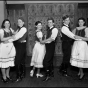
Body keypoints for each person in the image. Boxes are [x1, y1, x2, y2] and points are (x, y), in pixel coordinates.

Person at [8, 17, 27, 82]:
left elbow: (16, 37)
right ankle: (22, 74)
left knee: (17, 61)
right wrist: (10, 30)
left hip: (21, 45)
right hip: (19, 45)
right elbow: (15, 33)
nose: (18, 22)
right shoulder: (19, 28)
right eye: (18, 21)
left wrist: (8, 40)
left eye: (20, 21)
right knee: (21, 60)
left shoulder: (23, 29)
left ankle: (18, 77)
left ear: (23, 23)